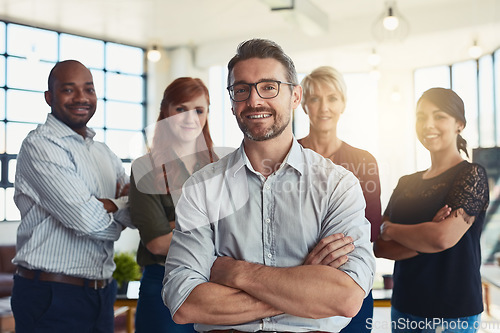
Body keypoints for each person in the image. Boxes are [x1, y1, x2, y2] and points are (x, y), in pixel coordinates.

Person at [163, 38, 375, 333]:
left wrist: (235, 272)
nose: (254, 100)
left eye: (269, 87)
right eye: (242, 89)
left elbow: (346, 297)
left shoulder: (338, 185)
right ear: (232, 100)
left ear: (295, 96)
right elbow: (185, 302)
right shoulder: (202, 187)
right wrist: (304, 284)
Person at [11, 60, 131, 333]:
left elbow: (137, 212)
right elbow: (87, 221)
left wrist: (109, 205)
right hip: (51, 294)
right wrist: (117, 211)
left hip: (101, 293)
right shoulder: (40, 146)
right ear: (49, 97)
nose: (81, 98)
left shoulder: (104, 152)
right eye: (69, 90)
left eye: (88, 89)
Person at [374, 87, 489, 332]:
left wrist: (391, 228)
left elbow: (441, 237)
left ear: (459, 124)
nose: (428, 124)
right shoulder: (406, 182)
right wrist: (425, 234)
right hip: (405, 307)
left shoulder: (471, 175)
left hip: (453, 314)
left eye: (439, 116)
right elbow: (380, 246)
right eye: (422, 116)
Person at [129, 77, 217, 333]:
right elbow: (156, 241)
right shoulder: (145, 168)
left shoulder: (220, 165)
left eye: (198, 110)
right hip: (162, 284)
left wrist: (177, 227)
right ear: (166, 111)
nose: (190, 118)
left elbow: (238, 229)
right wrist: (210, 228)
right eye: (181, 109)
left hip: (213, 284)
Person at [298, 66, 382, 333]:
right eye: (315, 98)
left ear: (343, 104)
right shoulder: (285, 158)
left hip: (352, 281)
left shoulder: (364, 162)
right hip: (299, 282)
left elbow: (372, 226)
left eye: (332, 98)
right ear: (303, 105)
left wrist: (328, 253)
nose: (324, 107)